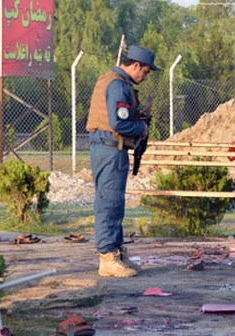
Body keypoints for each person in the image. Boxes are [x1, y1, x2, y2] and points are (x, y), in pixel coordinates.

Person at [86, 45, 159, 277]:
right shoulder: (118, 85)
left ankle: (116, 253)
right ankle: (107, 258)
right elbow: (119, 123)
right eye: (145, 72)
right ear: (135, 65)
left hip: (108, 148)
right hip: (110, 148)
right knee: (109, 203)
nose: (145, 77)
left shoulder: (115, 81)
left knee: (114, 202)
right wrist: (142, 128)